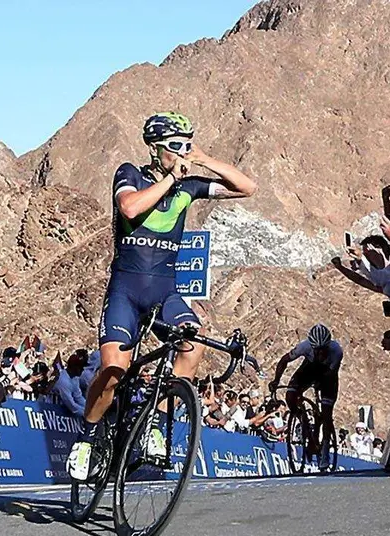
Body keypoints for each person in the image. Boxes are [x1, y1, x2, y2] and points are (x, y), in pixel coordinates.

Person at [67, 111, 258, 480]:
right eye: (175, 146)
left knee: (193, 345)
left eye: (186, 145)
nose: (182, 152)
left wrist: (201, 159)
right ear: (155, 150)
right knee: (112, 371)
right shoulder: (129, 174)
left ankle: (153, 421)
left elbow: (247, 188)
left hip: (164, 292)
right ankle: (87, 437)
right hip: (125, 292)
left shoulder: (189, 187)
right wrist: (172, 178)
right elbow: (130, 207)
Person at [268, 323, 343, 471]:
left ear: (328, 346)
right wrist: (276, 380)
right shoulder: (305, 346)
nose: (321, 353)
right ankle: (303, 421)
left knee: (326, 413)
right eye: (317, 350)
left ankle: (325, 448)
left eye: (323, 350)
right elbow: (284, 360)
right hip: (309, 369)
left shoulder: (336, 351)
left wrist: (319, 388)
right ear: (312, 346)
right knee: (290, 395)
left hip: (328, 375)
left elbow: (329, 376)